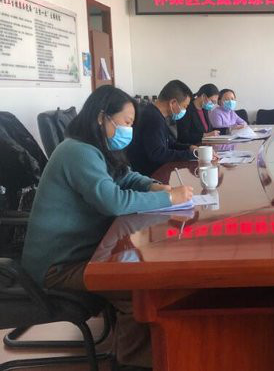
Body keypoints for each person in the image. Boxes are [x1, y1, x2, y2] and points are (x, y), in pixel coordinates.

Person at [20, 85, 194, 370]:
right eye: (126, 122)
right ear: (102, 117)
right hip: (58, 267)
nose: (129, 130)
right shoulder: (77, 152)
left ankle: (135, 352)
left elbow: (125, 177)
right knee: (138, 291)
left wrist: (153, 186)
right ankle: (133, 363)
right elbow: (113, 202)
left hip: (83, 252)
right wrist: (168, 198)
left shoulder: (96, 149)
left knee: (140, 271)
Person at [128, 80, 198, 176]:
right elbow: (158, 154)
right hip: (149, 175)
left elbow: (170, 143)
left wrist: (189, 148)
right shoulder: (153, 118)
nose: (184, 110)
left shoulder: (155, 113)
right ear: (173, 102)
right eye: (184, 106)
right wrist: (191, 155)